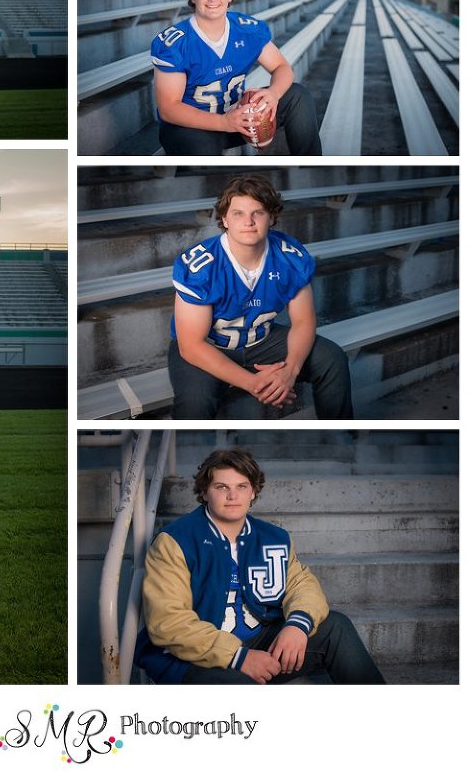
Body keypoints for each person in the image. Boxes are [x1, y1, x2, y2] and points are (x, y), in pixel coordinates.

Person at [135, 448, 385, 685]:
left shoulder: (272, 537)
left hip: (258, 643)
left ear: (253, 491)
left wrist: (297, 625)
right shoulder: (175, 541)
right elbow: (167, 622)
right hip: (195, 656)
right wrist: (238, 657)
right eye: (221, 487)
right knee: (241, 687)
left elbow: (302, 584)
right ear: (204, 492)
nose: (232, 496)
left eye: (241, 487)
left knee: (336, 627)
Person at [168, 174, 353, 419]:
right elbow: (191, 346)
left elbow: (303, 321)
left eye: (258, 212)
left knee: (331, 358)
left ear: (272, 217)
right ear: (224, 218)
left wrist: (290, 370)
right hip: (211, 346)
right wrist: (255, 383)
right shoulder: (202, 266)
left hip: (262, 340)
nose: (249, 221)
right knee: (195, 403)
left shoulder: (289, 256)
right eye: (238, 213)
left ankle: (342, 440)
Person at [151, 0, 322, 155]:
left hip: (236, 116)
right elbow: (169, 108)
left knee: (297, 96)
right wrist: (223, 122)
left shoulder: (246, 29)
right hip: (191, 127)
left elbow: (281, 67)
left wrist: (273, 93)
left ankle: (313, 165)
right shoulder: (176, 43)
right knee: (200, 153)